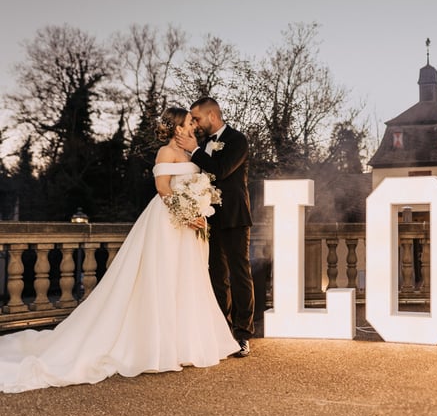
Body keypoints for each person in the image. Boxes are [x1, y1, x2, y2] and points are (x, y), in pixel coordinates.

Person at [0, 107, 239, 394]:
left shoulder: (191, 153)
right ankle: (157, 346)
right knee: (162, 278)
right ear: (177, 127)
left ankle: (184, 343)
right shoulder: (166, 152)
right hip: (169, 223)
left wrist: (199, 207)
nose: (194, 125)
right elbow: (163, 188)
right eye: (189, 122)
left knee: (186, 280)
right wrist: (186, 214)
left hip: (190, 227)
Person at [176, 96, 255, 357]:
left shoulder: (237, 140)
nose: (196, 124)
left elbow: (221, 171)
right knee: (216, 276)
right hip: (209, 219)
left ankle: (243, 335)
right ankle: (222, 333)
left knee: (239, 274)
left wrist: (195, 151)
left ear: (212, 115)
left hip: (234, 217)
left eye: (197, 118)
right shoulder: (202, 144)